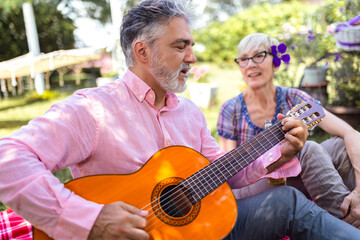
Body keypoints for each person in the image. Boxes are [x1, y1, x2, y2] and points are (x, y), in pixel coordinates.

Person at [0, 1, 359, 239]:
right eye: (180, 46)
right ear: (142, 51)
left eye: (191, 45)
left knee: (287, 203)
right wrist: (89, 220)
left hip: (198, 228)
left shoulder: (188, 113)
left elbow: (223, 172)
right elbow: (8, 158)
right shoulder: (93, 110)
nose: (192, 55)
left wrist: (276, 152)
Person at [217, 32, 360, 229]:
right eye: (243, 59)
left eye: (259, 56)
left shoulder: (294, 98)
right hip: (257, 183)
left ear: (276, 62)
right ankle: (348, 223)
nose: (250, 64)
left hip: (296, 175)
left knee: (339, 145)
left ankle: (355, 206)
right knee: (308, 148)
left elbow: (351, 133)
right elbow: (226, 173)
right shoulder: (231, 109)